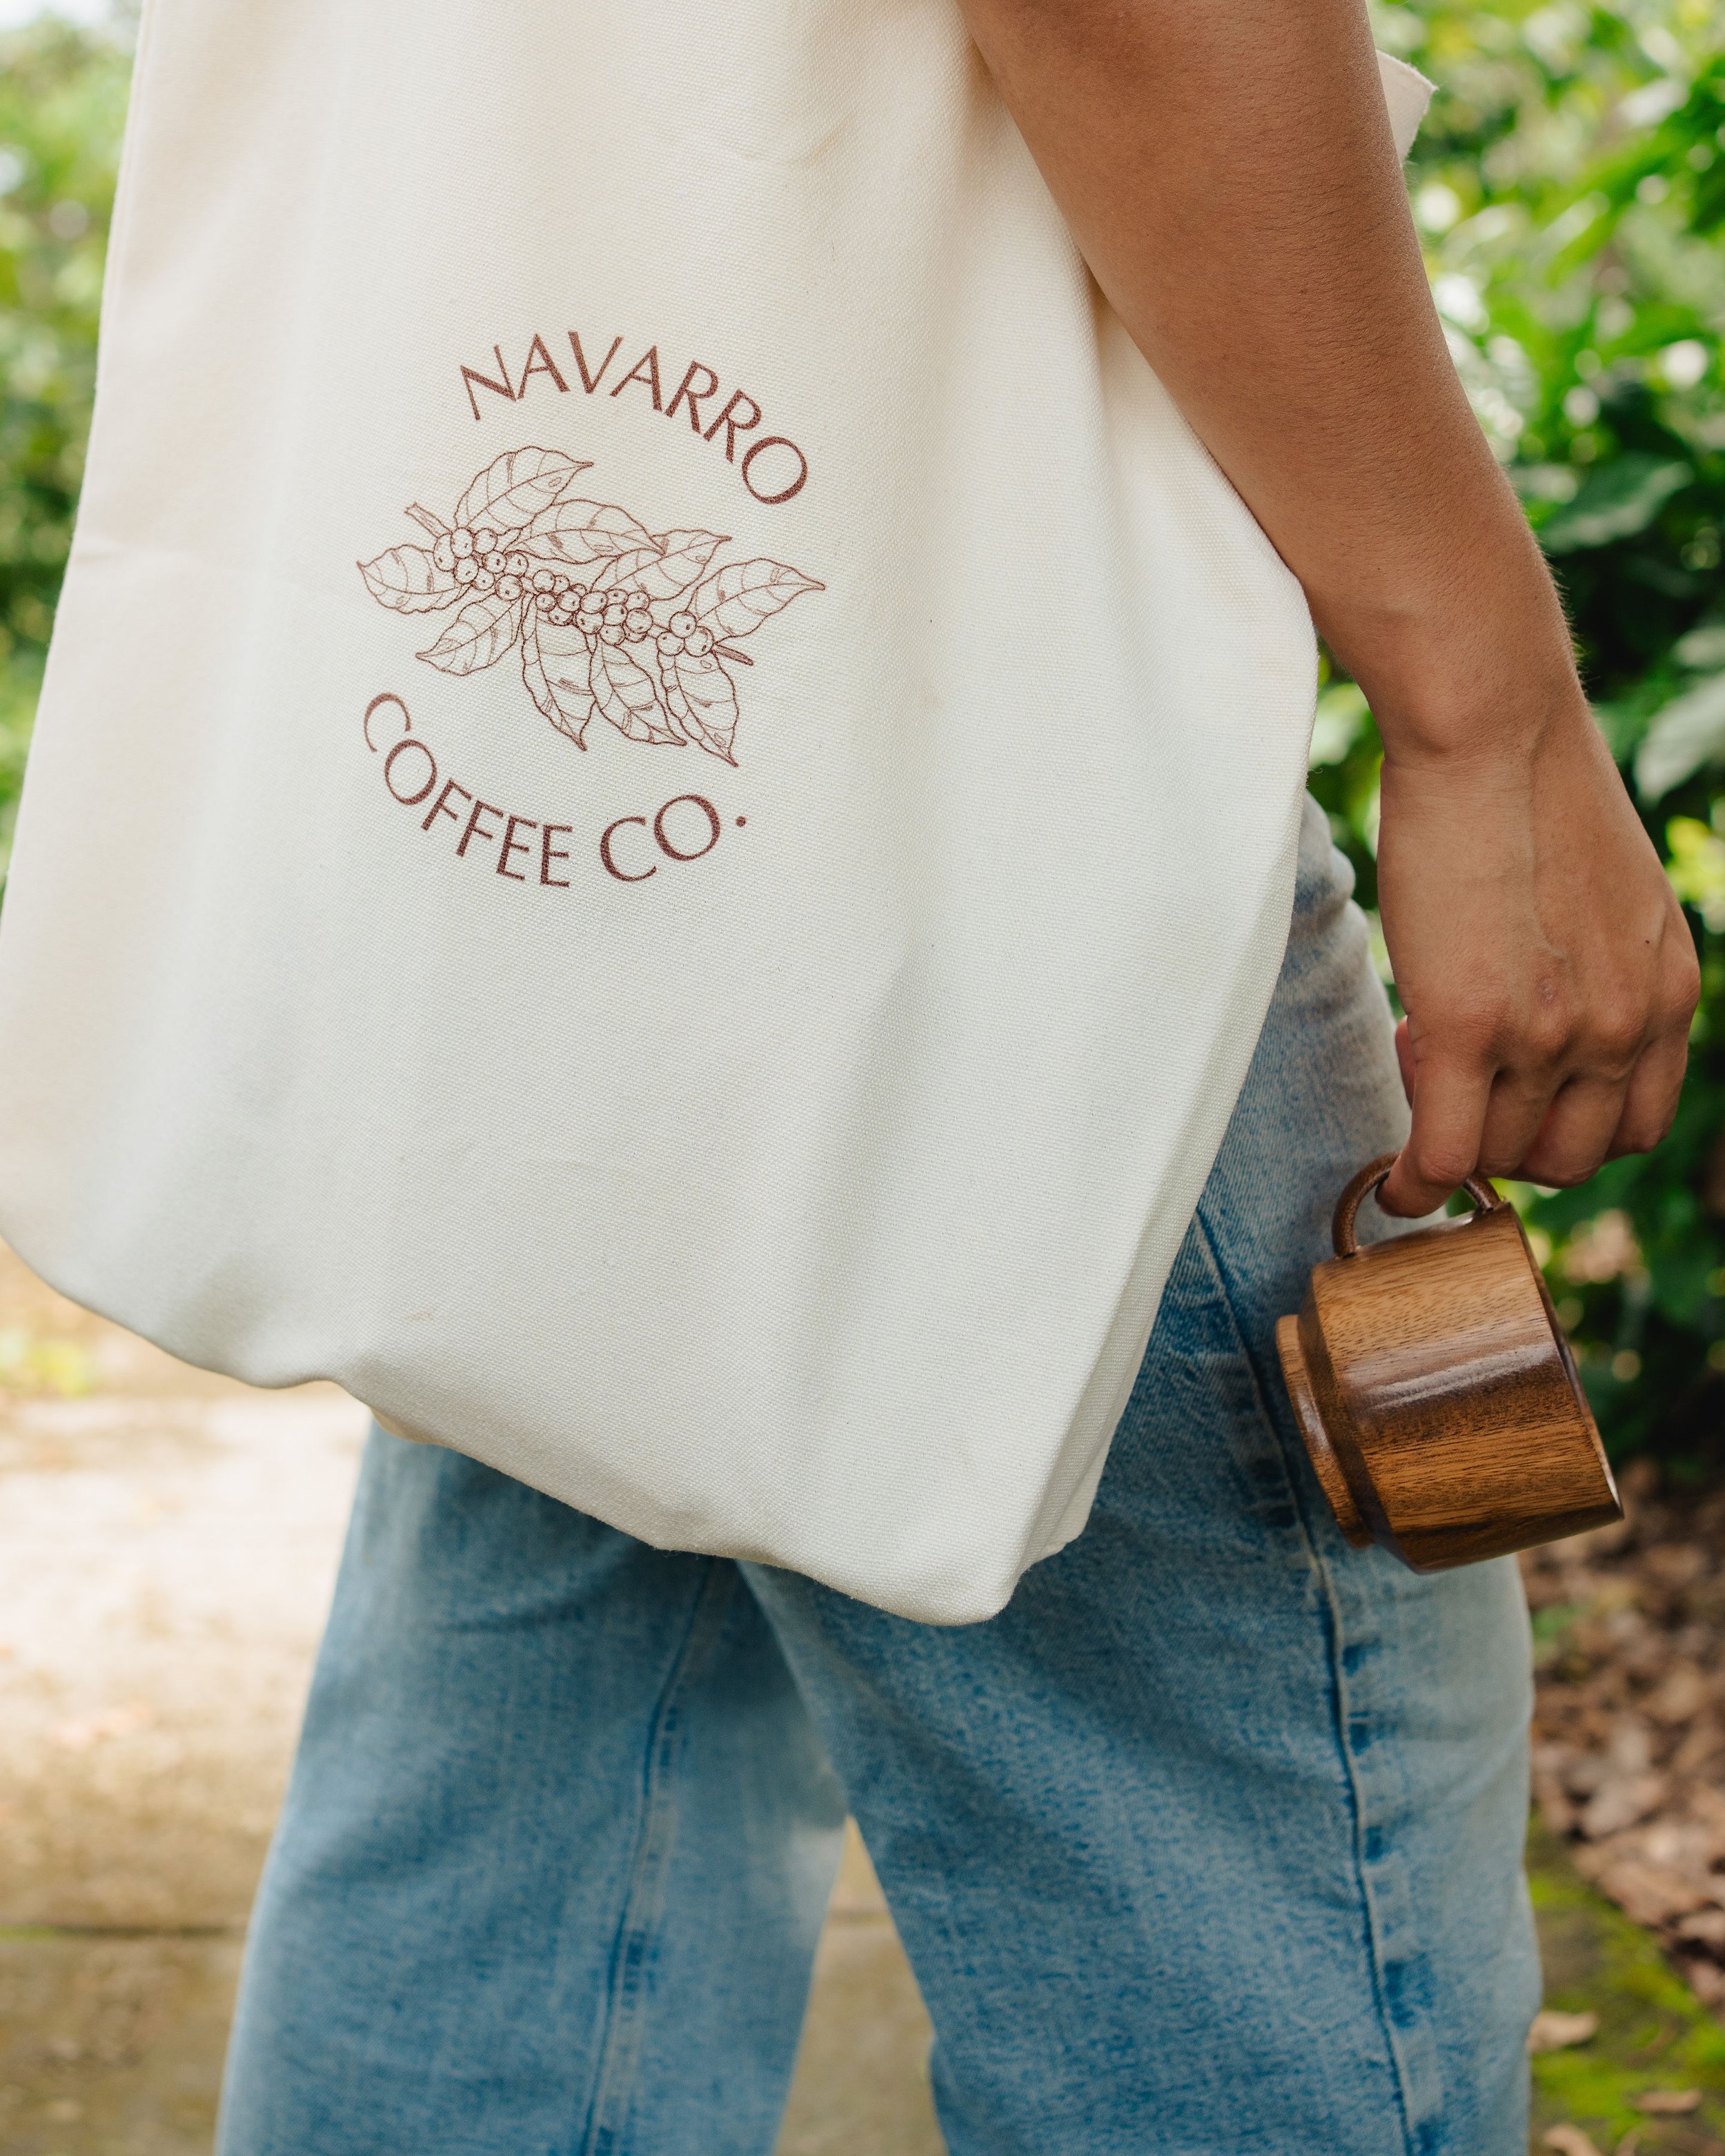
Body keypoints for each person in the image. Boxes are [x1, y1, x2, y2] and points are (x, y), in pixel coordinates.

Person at [214, 1, 1699, 2150]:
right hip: (974, 810)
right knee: (1249, 1924)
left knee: (531, 1809)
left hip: (580, 848)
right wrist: (1488, 700)